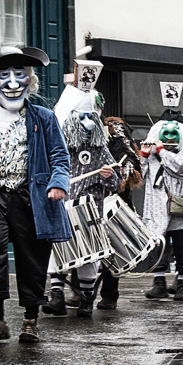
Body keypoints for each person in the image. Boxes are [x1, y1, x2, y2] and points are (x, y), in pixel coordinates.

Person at [0, 45, 70, 344]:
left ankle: (31, 321)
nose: (11, 82)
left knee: (31, 258)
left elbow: (60, 156)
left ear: (29, 80)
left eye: (19, 75)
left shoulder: (44, 117)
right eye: (3, 75)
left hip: (30, 198)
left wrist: (57, 183)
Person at [41, 82, 122, 317]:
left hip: (89, 211)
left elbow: (114, 184)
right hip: (62, 209)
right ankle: (56, 296)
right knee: (58, 250)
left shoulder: (99, 148)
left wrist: (109, 175)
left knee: (89, 255)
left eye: (90, 117)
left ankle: (87, 299)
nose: (86, 122)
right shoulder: (58, 146)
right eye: (81, 116)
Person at [140, 118, 183, 302]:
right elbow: (143, 175)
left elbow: (180, 167)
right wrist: (143, 156)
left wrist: (162, 151)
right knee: (158, 245)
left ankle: (182, 284)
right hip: (157, 206)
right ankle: (159, 283)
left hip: (180, 203)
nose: (170, 138)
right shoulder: (152, 154)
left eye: (174, 135)